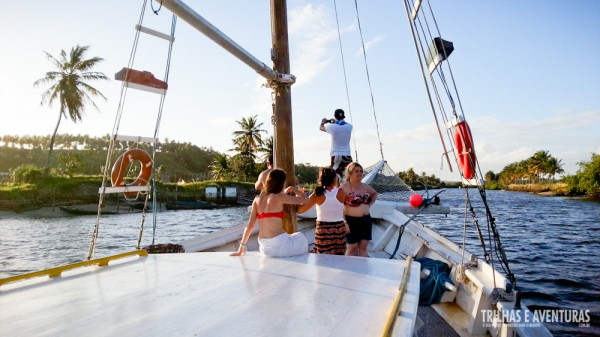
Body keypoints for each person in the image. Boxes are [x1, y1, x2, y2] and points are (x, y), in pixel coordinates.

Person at [231, 169, 309, 257]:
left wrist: (241, 248)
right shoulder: (281, 197)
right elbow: (306, 199)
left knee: (294, 237)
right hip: (281, 244)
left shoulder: (257, 199)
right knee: (301, 236)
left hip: (265, 248)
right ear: (281, 183)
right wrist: (293, 189)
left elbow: (250, 225)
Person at [298, 168, 347, 255]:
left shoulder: (317, 194)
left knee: (322, 260)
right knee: (339, 259)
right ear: (334, 179)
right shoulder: (342, 192)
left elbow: (300, 210)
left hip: (323, 230)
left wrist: (298, 195)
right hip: (339, 229)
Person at [340, 162, 378, 257]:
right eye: (356, 171)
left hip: (366, 221)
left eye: (361, 171)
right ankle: (347, 270)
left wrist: (369, 204)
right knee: (352, 248)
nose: (360, 173)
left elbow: (374, 194)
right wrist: (344, 222)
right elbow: (338, 206)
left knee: (363, 248)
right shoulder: (344, 187)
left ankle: (363, 270)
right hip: (351, 221)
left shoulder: (364, 186)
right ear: (350, 173)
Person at [320, 108, 353, 177]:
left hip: (336, 154)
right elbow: (341, 125)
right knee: (348, 176)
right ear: (343, 116)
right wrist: (335, 122)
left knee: (336, 177)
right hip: (347, 154)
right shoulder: (349, 126)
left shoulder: (332, 127)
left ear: (335, 116)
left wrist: (323, 122)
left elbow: (321, 128)